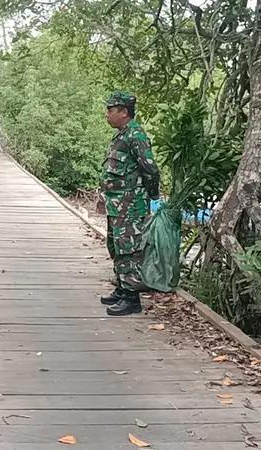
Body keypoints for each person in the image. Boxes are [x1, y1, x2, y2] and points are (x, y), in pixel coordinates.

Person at [99, 91, 160, 316]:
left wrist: (153, 197)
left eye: (111, 110)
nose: (107, 114)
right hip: (116, 204)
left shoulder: (136, 135)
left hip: (131, 204)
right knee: (115, 245)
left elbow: (150, 168)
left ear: (124, 112)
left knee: (128, 249)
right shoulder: (121, 135)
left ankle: (132, 298)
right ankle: (122, 288)